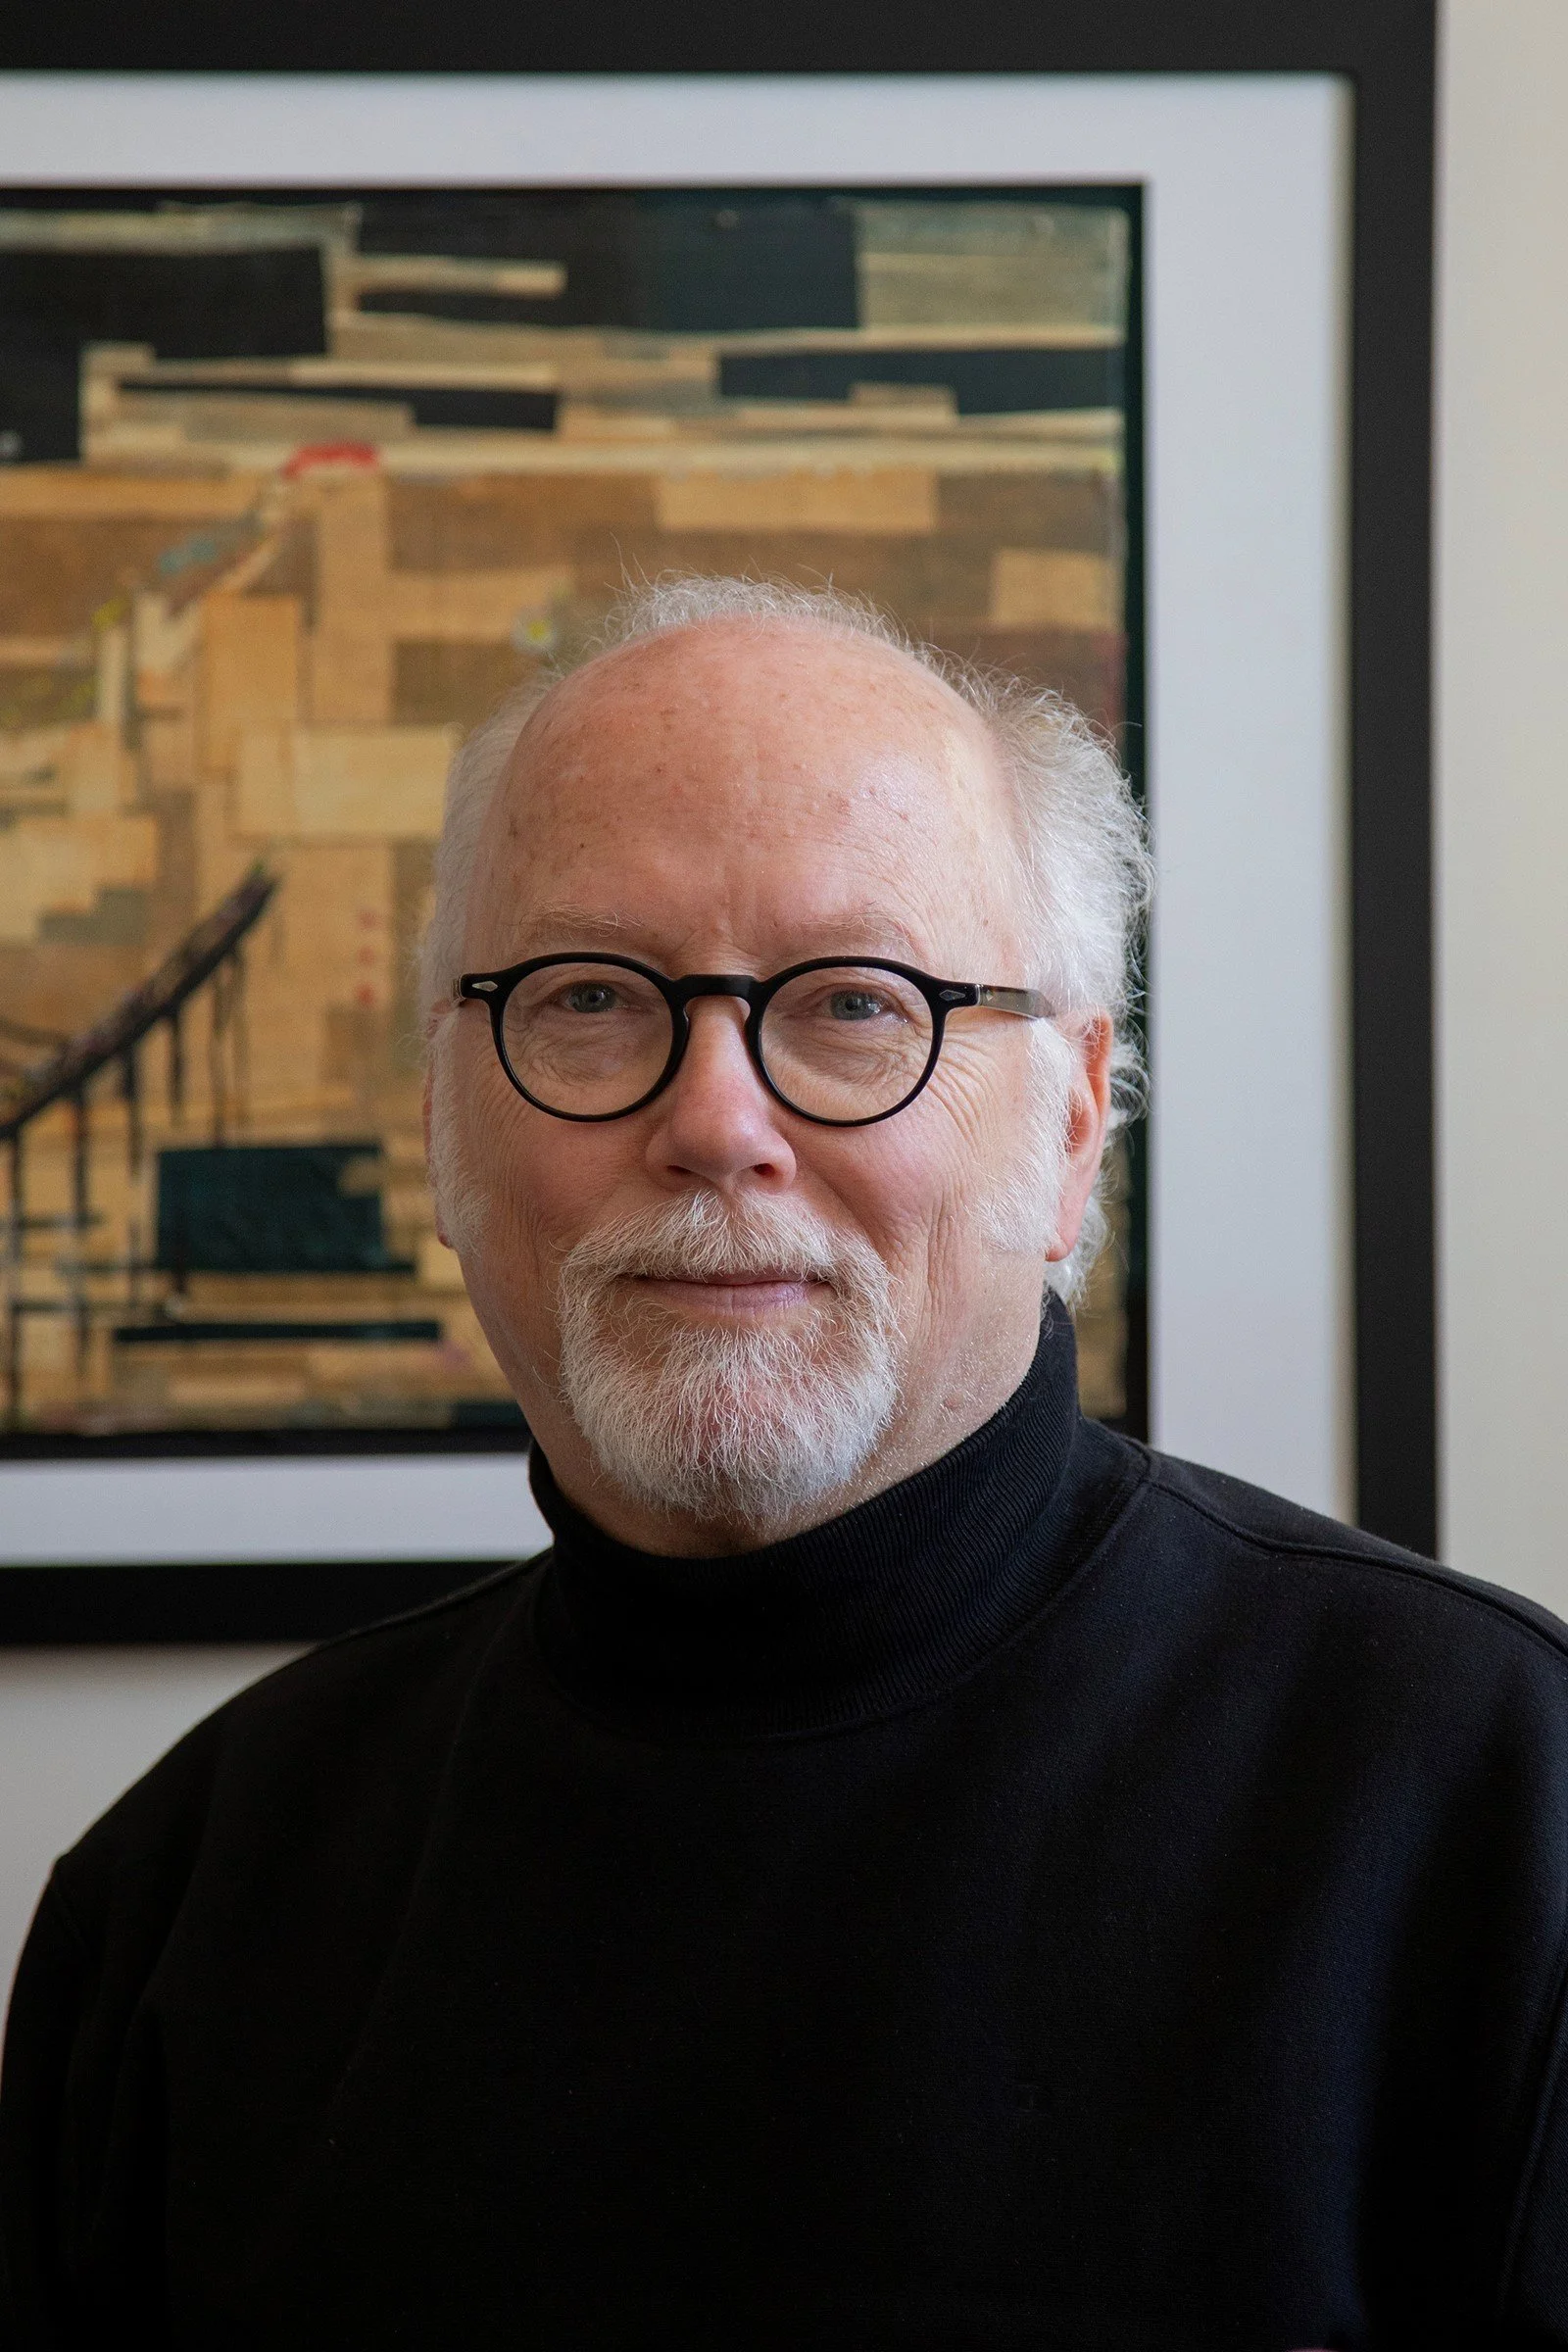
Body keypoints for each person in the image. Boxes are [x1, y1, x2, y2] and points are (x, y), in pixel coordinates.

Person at [2, 576, 1566, 2350]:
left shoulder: (1498, 1817)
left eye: (853, 1002)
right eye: (591, 996)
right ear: (443, 1117)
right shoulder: (189, 1901)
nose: (716, 1123)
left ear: (1068, 1127)